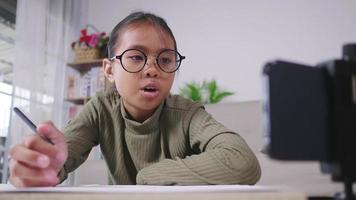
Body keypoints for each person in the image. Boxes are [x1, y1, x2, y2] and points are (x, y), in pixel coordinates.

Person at [9, 11, 261, 187]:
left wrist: (148, 176)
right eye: (136, 57)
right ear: (109, 70)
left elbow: (243, 161)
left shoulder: (187, 113)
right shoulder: (100, 109)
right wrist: (43, 166)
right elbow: (61, 159)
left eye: (165, 59)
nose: (153, 69)